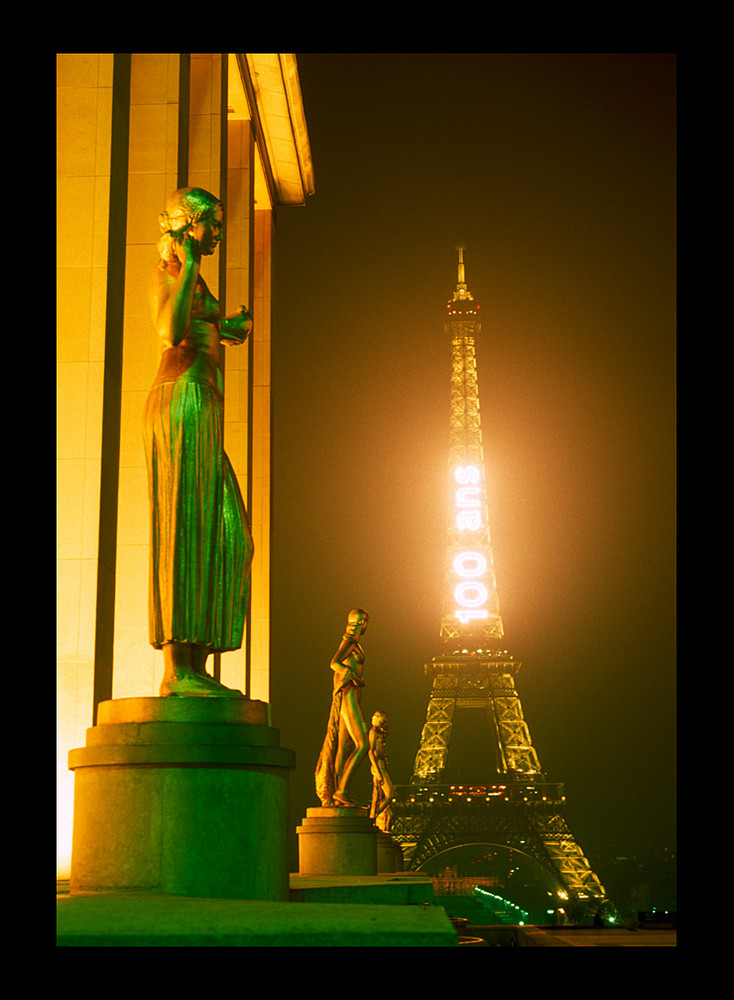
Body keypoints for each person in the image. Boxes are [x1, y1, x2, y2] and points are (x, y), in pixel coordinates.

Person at [143, 187, 253, 697]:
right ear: (189, 225)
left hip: (203, 402)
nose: (220, 233)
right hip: (182, 399)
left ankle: (198, 661)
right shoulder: (170, 272)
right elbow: (169, 330)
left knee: (229, 534)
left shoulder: (193, 278)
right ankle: (177, 669)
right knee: (186, 526)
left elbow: (203, 323)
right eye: (213, 224)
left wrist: (229, 324)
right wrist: (187, 264)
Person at [315, 610, 370, 806]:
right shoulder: (351, 642)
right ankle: (341, 790)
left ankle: (338, 793)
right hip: (349, 697)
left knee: (343, 748)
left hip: (351, 696)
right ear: (362, 623)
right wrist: (353, 677)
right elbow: (334, 663)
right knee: (363, 745)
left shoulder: (353, 642)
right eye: (365, 622)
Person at [369, 711, 396, 832]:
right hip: (378, 767)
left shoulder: (379, 733)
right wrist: (377, 770)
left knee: (378, 796)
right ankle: (372, 815)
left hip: (381, 765)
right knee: (390, 794)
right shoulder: (373, 732)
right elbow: (370, 751)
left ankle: (373, 814)